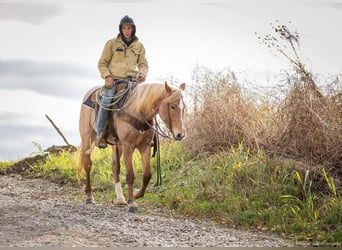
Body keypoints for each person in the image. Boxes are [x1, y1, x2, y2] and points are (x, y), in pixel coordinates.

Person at [95, 15, 149, 148]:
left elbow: (143, 64)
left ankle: (149, 135)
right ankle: (100, 133)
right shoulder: (112, 44)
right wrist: (107, 76)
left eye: (129, 28)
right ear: (121, 29)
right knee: (106, 101)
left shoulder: (139, 46)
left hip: (133, 81)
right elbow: (102, 63)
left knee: (147, 102)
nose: (126, 31)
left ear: (133, 29)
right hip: (114, 81)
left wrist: (142, 73)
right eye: (124, 28)